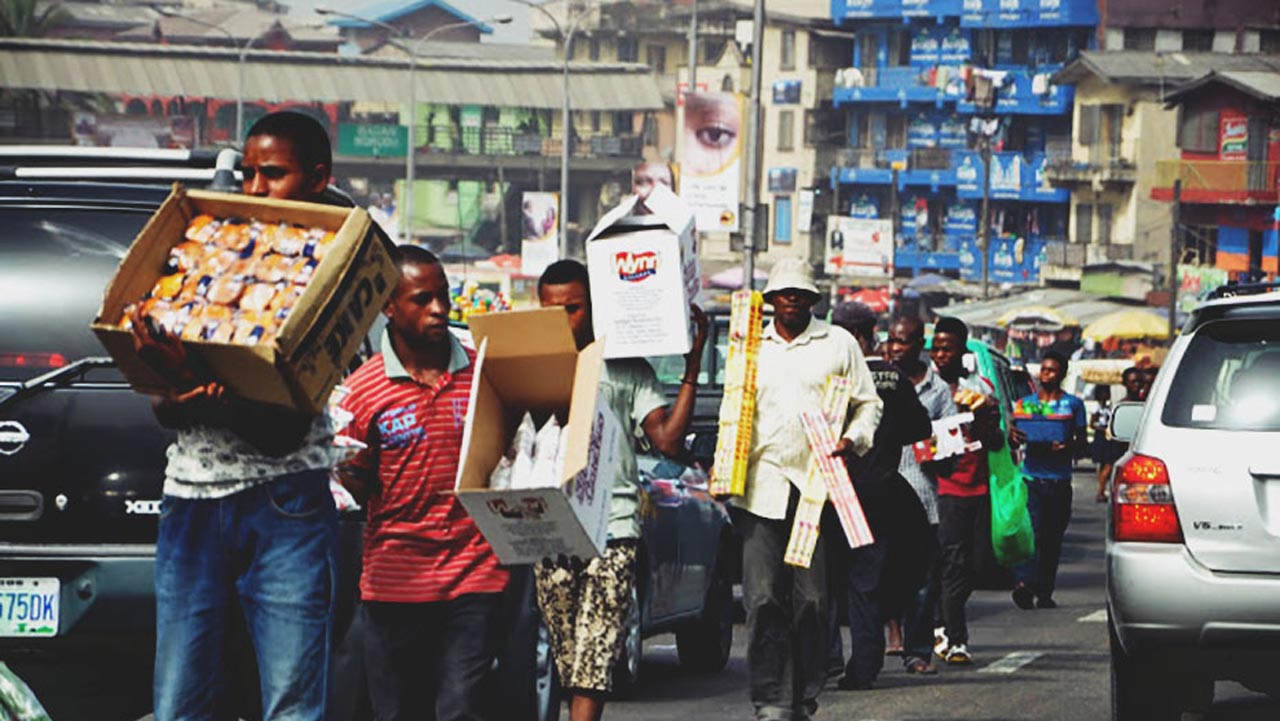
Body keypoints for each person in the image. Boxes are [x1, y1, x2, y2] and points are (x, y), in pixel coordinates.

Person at [132, 110, 342, 720]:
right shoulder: (204, 256)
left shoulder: (327, 273)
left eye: (272, 174)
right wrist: (179, 387)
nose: (254, 188)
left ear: (317, 179)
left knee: (292, 704)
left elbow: (283, 432)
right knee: (180, 703)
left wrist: (194, 378)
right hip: (190, 503)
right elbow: (164, 410)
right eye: (248, 172)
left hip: (285, 505)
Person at [335, 246, 508, 721]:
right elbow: (355, 484)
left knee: (461, 707)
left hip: (474, 572)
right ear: (388, 306)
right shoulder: (362, 393)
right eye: (422, 299)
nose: (438, 309)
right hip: (394, 581)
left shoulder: (483, 372)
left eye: (443, 297)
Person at [535, 259, 708, 721]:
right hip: (551, 528)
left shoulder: (626, 367)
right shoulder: (526, 364)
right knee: (563, 654)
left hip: (613, 528)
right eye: (553, 310)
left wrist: (692, 367)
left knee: (595, 655)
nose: (564, 320)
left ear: (593, 308)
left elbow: (667, 440)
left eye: (573, 308)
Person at [733, 258, 881, 721]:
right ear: (772, 300)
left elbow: (868, 404)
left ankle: (803, 693)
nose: (792, 299)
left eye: (801, 293)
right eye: (784, 293)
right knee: (761, 599)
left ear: (813, 300)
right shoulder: (750, 346)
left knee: (813, 600)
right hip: (760, 489)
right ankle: (770, 698)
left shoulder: (837, 343)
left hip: (814, 491)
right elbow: (733, 414)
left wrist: (852, 440)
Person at [827, 303, 934, 690]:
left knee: (821, 580)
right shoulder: (891, 378)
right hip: (877, 490)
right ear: (868, 336)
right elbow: (919, 428)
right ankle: (864, 666)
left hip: (825, 492)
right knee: (864, 583)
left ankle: (825, 661)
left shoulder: (821, 371)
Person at [884, 314, 960, 676]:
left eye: (904, 342)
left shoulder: (939, 390)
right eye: (892, 341)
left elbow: (949, 446)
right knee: (877, 576)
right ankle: (883, 640)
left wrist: (936, 450)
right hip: (878, 493)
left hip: (923, 497)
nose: (896, 348)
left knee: (922, 581)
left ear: (919, 346)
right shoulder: (876, 381)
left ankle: (917, 652)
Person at [929, 316, 1004, 665]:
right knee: (953, 562)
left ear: (962, 350)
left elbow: (997, 439)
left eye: (948, 349)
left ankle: (942, 621)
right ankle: (955, 637)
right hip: (944, 488)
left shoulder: (980, 388)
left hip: (979, 486)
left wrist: (986, 419)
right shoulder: (926, 389)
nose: (941, 355)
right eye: (937, 348)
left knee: (976, 564)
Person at [1009, 351, 1088, 611]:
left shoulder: (1073, 405)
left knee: (1052, 538)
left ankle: (1044, 590)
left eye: (1052, 370)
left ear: (1062, 374)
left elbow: (1081, 443)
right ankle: (1023, 584)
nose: (1046, 375)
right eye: (1043, 370)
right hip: (1031, 478)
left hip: (1059, 481)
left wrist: (1067, 446)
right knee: (1031, 533)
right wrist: (1014, 437)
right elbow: (1012, 439)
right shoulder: (1025, 404)